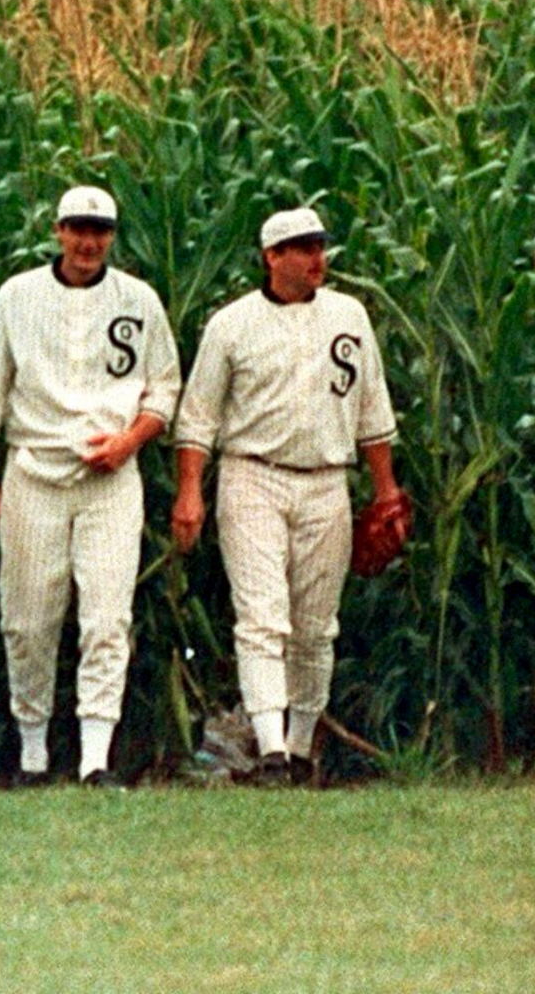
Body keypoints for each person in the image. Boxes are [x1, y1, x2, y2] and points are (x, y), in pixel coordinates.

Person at [169, 207, 401, 786]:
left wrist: (386, 492)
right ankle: (270, 749)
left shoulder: (349, 315)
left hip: (327, 478)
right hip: (254, 475)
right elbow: (198, 418)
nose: (316, 258)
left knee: (316, 626)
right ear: (272, 257)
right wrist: (190, 491)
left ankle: (299, 750)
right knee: (262, 617)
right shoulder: (232, 324)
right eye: (302, 248)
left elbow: (372, 410)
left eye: (320, 246)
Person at [0, 186, 181, 786]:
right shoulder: (18, 296)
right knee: (28, 618)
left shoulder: (137, 300)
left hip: (110, 478)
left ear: (112, 235)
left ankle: (95, 760)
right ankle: (33, 755)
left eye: (100, 230)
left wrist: (129, 441)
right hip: (34, 471)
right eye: (78, 229)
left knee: (107, 618)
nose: (89, 242)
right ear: (58, 230)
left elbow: (164, 388)